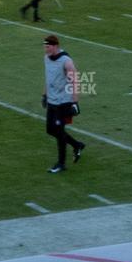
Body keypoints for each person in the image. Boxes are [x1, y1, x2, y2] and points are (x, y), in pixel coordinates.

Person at [42, 35, 86, 172]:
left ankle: (61, 164)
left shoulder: (66, 61)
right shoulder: (46, 59)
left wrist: (75, 102)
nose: (46, 49)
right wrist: (44, 94)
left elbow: (75, 81)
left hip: (63, 102)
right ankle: (76, 145)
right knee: (50, 130)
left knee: (59, 131)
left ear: (55, 46)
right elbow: (48, 78)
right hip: (52, 101)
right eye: (45, 46)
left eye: (48, 46)